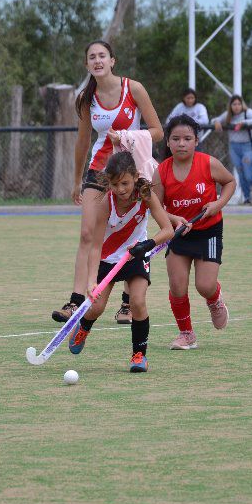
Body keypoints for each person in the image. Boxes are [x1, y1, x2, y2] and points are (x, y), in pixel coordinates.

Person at [52, 40, 163, 324]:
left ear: (112, 60)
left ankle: (127, 303)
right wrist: (77, 180)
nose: (97, 60)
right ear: (87, 64)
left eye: (102, 55)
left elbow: (158, 131)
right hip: (100, 172)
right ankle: (77, 301)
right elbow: (82, 141)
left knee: (134, 232)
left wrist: (126, 137)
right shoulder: (85, 98)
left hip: (131, 171)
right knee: (88, 234)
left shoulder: (133, 88)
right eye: (92, 57)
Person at [65, 151, 174, 373]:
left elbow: (168, 230)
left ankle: (139, 355)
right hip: (108, 258)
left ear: (135, 177)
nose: (121, 189)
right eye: (115, 184)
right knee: (96, 307)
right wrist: (90, 283)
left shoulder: (146, 195)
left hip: (137, 254)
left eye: (125, 183)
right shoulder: (106, 202)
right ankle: (84, 326)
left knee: (137, 302)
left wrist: (148, 244)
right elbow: (95, 247)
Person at [152, 114, 236, 350]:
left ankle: (215, 299)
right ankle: (186, 334)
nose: (181, 143)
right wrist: (174, 219)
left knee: (204, 286)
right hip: (178, 235)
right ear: (167, 142)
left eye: (187, 138)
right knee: (177, 287)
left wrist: (217, 204)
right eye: (175, 138)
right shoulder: (161, 172)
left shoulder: (208, 163)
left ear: (196, 141)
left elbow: (230, 183)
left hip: (208, 232)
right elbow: (155, 206)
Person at [211, 95, 252, 204]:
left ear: (242, 104)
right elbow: (215, 119)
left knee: (248, 175)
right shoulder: (228, 115)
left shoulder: (247, 113)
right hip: (234, 147)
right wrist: (216, 122)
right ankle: (247, 198)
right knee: (240, 173)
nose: (236, 107)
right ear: (230, 106)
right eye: (234, 104)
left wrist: (244, 123)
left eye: (238, 104)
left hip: (248, 147)